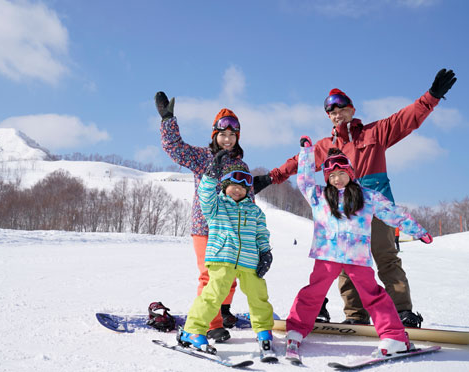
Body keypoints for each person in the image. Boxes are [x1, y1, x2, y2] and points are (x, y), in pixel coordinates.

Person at [254, 68, 456, 327]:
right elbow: (298, 163)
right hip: (345, 211)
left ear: (352, 109)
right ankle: (355, 314)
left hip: (377, 206)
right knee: (345, 262)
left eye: (341, 109)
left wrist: (431, 97)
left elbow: (406, 119)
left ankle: (402, 312)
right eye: (331, 112)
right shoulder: (327, 146)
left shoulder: (375, 133)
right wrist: (272, 177)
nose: (337, 115)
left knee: (385, 257)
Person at [285, 141, 433, 358]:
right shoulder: (319, 196)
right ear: (326, 178)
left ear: (350, 173)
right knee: (313, 293)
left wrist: (417, 230)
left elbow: (393, 213)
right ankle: (296, 330)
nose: (336, 179)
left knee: (373, 295)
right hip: (327, 255)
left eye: (341, 173)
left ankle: (394, 337)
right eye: (331, 175)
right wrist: (306, 153)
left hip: (357, 257)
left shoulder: (366, 196)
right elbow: (304, 180)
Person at [156, 91, 255, 342]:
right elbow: (174, 148)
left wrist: (255, 234)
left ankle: (222, 310)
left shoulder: (241, 166)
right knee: (210, 276)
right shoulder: (202, 157)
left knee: (230, 276)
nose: (228, 139)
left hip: (232, 230)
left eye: (233, 135)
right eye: (223, 134)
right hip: (205, 227)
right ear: (215, 135)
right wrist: (168, 121)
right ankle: (211, 324)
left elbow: (249, 199)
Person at [177, 151, 275, 357]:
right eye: (233, 185)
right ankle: (192, 330)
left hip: (250, 261)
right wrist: (211, 174)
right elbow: (204, 194)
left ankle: (263, 330)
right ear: (224, 186)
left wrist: (265, 252)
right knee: (213, 295)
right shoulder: (216, 207)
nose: (238, 190)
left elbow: (261, 233)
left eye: (242, 187)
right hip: (222, 258)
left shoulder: (254, 211)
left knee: (259, 295)